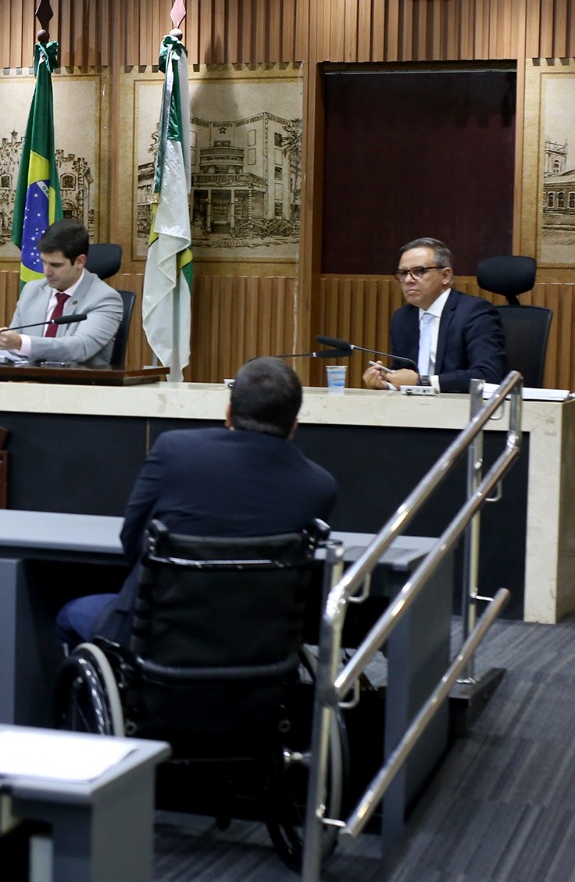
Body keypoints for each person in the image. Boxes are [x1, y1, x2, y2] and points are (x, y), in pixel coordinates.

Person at [56, 356, 338, 648]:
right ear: (294, 426)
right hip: (257, 647)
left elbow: (133, 541)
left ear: (228, 413)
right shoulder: (320, 487)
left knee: (71, 614)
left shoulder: (175, 451)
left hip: (157, 636)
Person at [0, 219, 122, 367]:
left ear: (80, 261)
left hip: (80, 384)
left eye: (56, 265)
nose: (47, 272)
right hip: (28, 381)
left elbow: (79, 348)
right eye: (44, 262)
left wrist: (20, 343)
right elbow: (13, 345)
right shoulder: (32, 291)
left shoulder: (105, 299)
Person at [361, 237, 507, 393]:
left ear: (445, 276)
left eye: (419, 271)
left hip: (460, 405)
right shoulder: (403, 317)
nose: (408, 280)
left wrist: (423, 382)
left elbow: (488, 375)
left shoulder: (475, 312)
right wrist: (386, 383)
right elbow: (404, 376)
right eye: (403, 273)